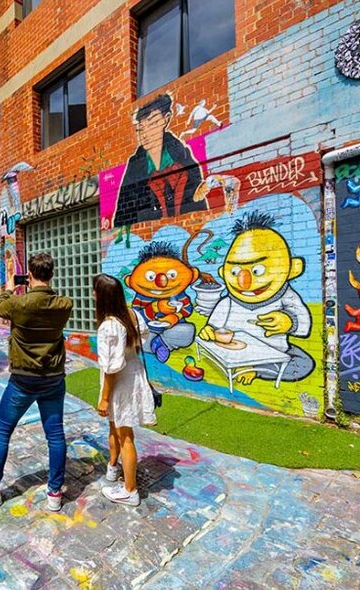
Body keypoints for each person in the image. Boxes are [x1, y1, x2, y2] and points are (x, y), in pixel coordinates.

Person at [0, 253, 73, 512]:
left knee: (2, 430)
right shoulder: (64, 304)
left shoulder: (19, 304)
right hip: (53, 378)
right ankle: (54, 494)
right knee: (55, 434)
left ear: (29, 276)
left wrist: (9, 288)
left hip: (23, 380)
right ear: (51, 274)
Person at [198, 211, 314, 384]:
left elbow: (303, 324)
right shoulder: (227, 302)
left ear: (293, 268)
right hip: (234, 349)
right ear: (224, 272)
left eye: (257, 270)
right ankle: (248, 366)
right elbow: (213, 326)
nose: (244, 281)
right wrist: (208, 331)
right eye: (235, 271)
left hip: (271, 351)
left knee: (303, 363)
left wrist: (289, 321)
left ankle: (255, 369)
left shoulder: (286, 297)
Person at [93, 274, 157, 507]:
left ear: (102, 296)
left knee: (125, 435)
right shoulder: (130, 314)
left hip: (120, 383)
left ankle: (130, 490)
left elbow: (111, 367)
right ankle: (112, 466)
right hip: (133, 374)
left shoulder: (109, 326)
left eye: (95, 291)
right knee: (115, 424)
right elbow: (143, 337)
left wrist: (104, 397)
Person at [112, 93, 205, 227]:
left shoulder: (183, 157)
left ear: (166, 120)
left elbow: (199, 204)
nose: (145, 134)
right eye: (140, 129)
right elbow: (122, 216)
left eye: (153, 124)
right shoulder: (134, 167)